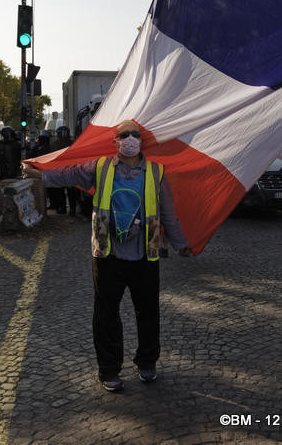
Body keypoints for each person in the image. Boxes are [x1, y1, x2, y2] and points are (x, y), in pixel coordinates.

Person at [22, 120, 192, 392]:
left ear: (142, 141)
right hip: (107, 254)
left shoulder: (157, 172)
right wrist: (40, 175)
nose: (130, 139)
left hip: (144, 256)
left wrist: (181, 243)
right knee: (106, 315)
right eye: (124, 135)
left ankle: (147, 363)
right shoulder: (100, 168)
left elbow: (168, 213)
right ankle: (109, 370)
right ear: (115, 141)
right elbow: (71, 174)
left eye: (135, 134)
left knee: (148, 313)